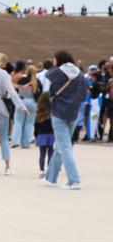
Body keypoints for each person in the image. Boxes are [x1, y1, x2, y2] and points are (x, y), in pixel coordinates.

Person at [43, 51, 84, 189]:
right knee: (61, 146)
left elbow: (48, 74)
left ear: (58, 60)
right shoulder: (79, 74)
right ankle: (51, 177)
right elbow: (84, 94)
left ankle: (74, 180)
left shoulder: (58, 72)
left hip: (59, 112)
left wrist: (56, 65)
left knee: (65, 147)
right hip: (73, 112)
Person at [11, 63, 38, 149]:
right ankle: (26, 143)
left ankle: (16, 141)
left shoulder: (22, 80)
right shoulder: (37, 82)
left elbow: (16, 89)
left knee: (18, 121)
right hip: (33, 102)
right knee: (29, 123)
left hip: (22, 100)